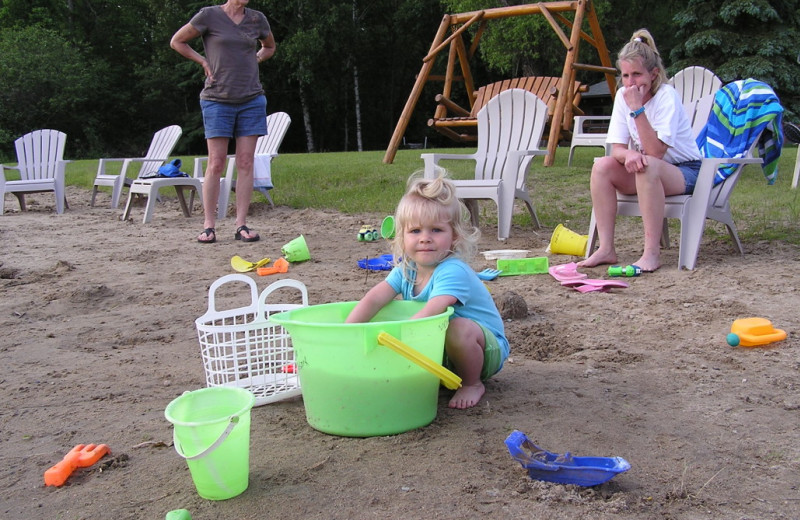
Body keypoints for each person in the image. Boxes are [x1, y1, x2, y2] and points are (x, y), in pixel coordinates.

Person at [346, 173, 510, 409]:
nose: (425, 239)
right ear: (402, 237)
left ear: (454, 236)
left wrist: (396, 339)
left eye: (435, 230)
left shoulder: (452, 270)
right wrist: (349, 331)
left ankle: (472, 383)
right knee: (389, 313)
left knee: (457, 327)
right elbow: (374, 299)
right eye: (415, 231)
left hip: (484, 350)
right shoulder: (407, 269)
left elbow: (434, 309)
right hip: (442, 349)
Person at [578, 29, 702, 272]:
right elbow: (617, 149)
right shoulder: (624, 98)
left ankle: (651, 253)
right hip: (650, 170)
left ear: (653, 74)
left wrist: (637, 109)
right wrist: (630, 155)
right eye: (625, 76)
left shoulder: (666, 96)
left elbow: (656, 151)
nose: (631, 82)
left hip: (685, 171)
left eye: (637, 74)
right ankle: (606, 249)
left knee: (647, 165)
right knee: (602, 166)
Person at [170, 0, 276, 244]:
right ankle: (209, 226)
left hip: (251, 98)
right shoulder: (209, 15)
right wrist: (204, 62)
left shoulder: (257, 19)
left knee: (246, 162)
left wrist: (256, 60)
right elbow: (177, 41)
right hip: (217, 98)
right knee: (216, 162)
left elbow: (269, 47)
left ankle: (242, 225)